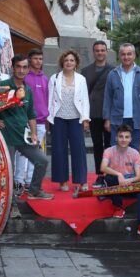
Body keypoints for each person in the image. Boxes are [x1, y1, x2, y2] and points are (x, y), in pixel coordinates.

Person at [0, 55, 53, 205]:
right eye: (18, 67)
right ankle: (8, 201)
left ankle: (34, 191)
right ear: (13, 68)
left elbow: (31, 114)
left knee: (42, 160)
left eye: (24, 67)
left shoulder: (27, 89)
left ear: (28, 69)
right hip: (6, 136)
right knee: (8, 170)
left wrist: (33, 133)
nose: (21, 70)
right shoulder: (2, 86)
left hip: (23, 136)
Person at [48, 50, 90, 192]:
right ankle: (62, 181)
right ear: (62, 62)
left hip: (76, 119)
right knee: (59, 150)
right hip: (58, 118)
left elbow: (85, 100)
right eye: (66, 60)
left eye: (72, 60)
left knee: (78, 150)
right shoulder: (54, 78)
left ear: (76, 63)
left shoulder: (81, 79)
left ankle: (82, 180)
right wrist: (50, 118)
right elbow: (50, 100)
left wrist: (85, 118)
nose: (69, 63)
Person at [101, 124, 140, 239]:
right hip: (115, 185)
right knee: (109, 178)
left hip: (129, 184)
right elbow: (103, 168)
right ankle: (118, 207)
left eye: (126, 137)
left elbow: (138, 176)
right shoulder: (109, 151)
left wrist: (129, 180)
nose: (123, 140)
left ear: (131, 139)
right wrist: (119, 174)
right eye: (121, 136)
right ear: (116, 137)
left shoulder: (135, 153)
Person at [103, 43, 140, 150]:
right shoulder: (113, 74)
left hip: (136, 119)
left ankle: (132, 168)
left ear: (134, 55)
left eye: (129, 54)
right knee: (115, 150)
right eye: (123, 54)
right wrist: (107, 119)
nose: (126, 57)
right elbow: (107, 98)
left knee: (134, 150)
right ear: (119, 56)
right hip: (116, 119)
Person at [14, 49, 49, 195]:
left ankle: (30, 181)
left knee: (35, 153)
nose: (38, 61)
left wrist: (47, 118)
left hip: (40, 121)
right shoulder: (24, 79)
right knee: (22, 153)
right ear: (29, 61)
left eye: (40, 59)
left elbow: (46, 99)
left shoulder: (45, 78)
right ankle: (19, 181)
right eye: (35, 59)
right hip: (25, 122)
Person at [81, 40, 114, 188]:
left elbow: (115, 95)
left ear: (106, 52)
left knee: (109, 146)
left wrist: (111, 116)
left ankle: (110, 175)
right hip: (92, 114)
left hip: (108, 114)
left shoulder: (113, 70)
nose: (100, 53)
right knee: (97, 146)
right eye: (97, 50)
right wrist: (85, 118)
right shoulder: (86, 71)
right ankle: (100, 175)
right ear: (93, 52)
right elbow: (82, 95)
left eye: (102, 50)